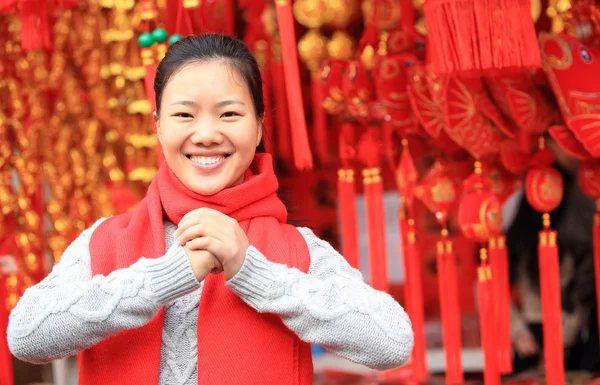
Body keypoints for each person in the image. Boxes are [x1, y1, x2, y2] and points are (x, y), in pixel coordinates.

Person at [7, 34, 414, 385]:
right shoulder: (103, 241)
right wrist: (168, 276)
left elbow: (392, 342)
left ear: (257, 127)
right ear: (158, 126)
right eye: (184, 114)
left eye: (229, 114)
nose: (206, 134)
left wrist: (255, 273)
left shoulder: (298, 251)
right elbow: (26, 335)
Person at [506, 141, 599, 374]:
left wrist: (562, 341)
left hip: (570, 339)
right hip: (529, 338)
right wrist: (518, 333)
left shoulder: (574, 244)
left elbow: (582, 300)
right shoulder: (519, 245)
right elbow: (488, 289)